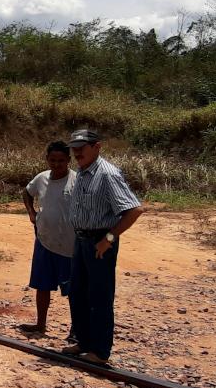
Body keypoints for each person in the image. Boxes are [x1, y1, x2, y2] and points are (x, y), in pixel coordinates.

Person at [64, 128, 144, 364]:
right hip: (81, 240)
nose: (77, 152)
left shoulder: (107, 174)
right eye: (74, 148)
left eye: (82, 148)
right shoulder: (82, 171)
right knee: (78, 293)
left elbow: (134, 210)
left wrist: (108, 239)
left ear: (97, 147)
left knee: (99, 296)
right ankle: (84, 342)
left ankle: (100, 351)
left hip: (100, 243)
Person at [19, 141, 77, 335]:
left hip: (69, 244)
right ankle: (40, 324)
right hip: (44, 240)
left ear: (69, 160)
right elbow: (27, 193)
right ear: (47, 160)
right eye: (53, 160)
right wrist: (31, 213)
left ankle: (76, 330)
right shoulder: (41, 178)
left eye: (61, 160)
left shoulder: (77, 181)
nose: (57, 164)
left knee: (73, 290)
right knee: (42, 285)